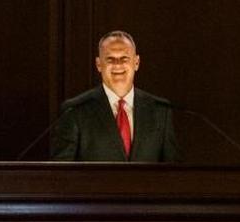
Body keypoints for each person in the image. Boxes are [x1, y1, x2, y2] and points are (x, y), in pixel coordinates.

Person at [51, 30, 179, 162]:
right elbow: (61, 176)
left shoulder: (161, 111)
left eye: (124, 58)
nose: (118, 64)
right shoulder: (75, 111)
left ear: (136, 62)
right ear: (99, 64)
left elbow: (172, 173)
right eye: (110, 59)